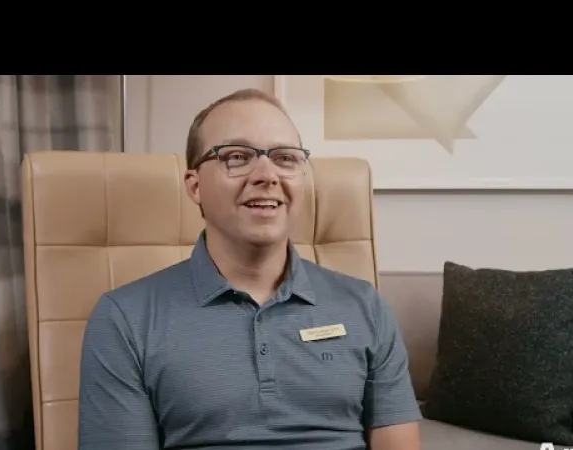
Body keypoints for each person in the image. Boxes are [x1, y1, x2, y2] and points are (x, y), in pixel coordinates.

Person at [77, 88, 422, 449]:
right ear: (194, 186)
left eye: (285, 158)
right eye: (238, 156)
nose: (267, 175)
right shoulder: (124, 318)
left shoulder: (365, 305)